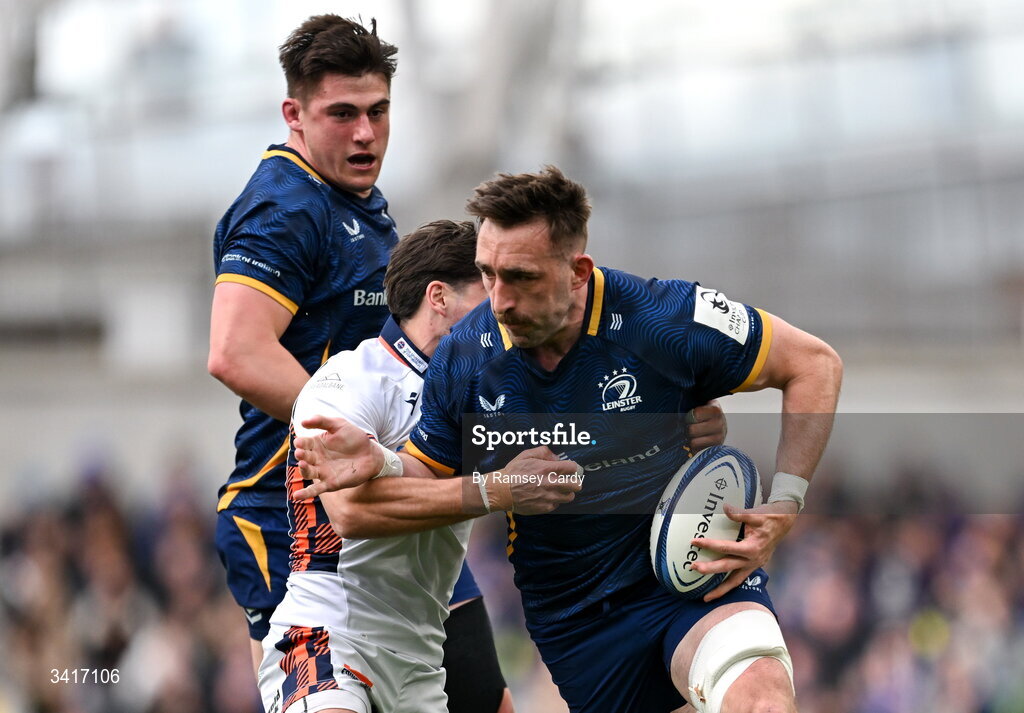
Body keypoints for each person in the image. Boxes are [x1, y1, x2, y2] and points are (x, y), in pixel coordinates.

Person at [292, 166, 843, 713]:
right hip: (576, 619)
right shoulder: (466, 355)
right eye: (487, 275)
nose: (499, 300)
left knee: (760, 697)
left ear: (578, 270)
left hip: (693, 576)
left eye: (521, 277)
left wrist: (787, 503)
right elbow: (431, 481)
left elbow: (813, 364)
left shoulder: (665, 318)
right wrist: (382, 463)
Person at [205, 15, 530, 713]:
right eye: (342, 114)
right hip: (297, 520)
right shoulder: (282, 206)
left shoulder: (359, 202)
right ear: (294, 114)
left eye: (378, 112)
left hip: (396, 514)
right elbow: (236, 351)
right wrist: (361, 447)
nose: (365, 133)